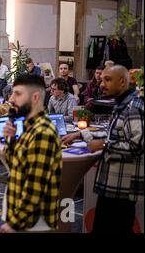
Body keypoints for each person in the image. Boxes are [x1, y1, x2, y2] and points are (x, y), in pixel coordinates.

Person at [61, 65, 143, 233]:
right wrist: (80, 134)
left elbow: (137, 146)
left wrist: (104, 145)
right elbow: (113, 134)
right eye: (102, 79)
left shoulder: (133, 107)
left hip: (121, 188)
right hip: (113, 186)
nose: (101, 84)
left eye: (107, 79)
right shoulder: (122, 104)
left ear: (122, 82)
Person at [0, 74, 62, 233]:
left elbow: (35, 186)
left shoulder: (43, 132)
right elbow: (14, 165)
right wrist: (10, 140)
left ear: (35, 97)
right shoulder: (29, 127)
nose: (11, 99)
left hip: (33, 223)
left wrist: (14, 223)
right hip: (21, 216)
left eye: (18, 94)